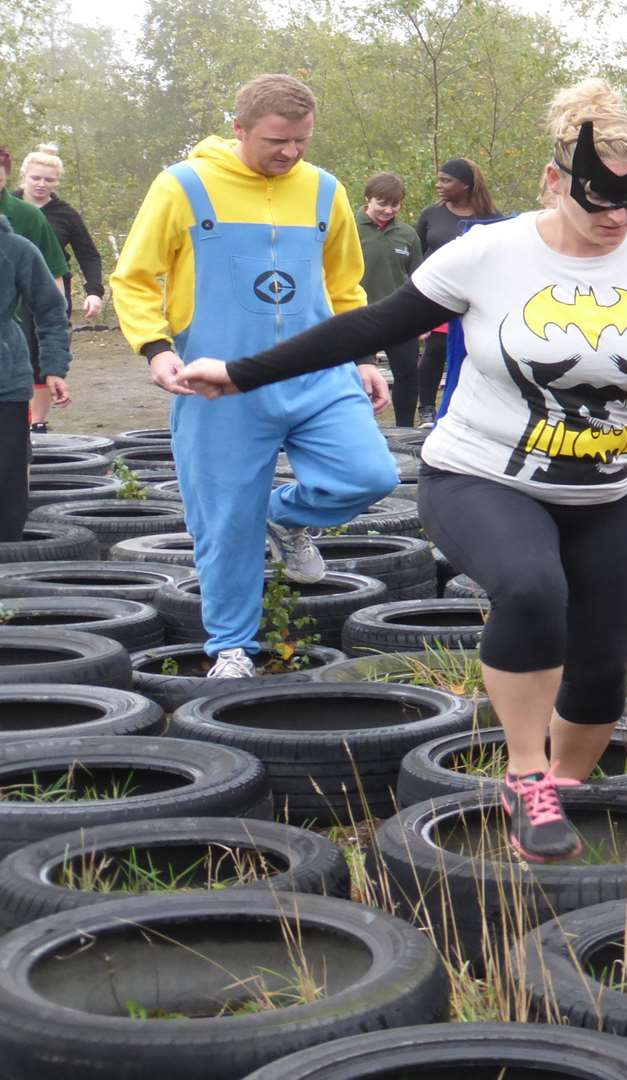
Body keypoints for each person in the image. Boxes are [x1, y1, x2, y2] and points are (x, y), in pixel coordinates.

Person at [179, 79, 627, 863]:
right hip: (478, 476)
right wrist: (240, 372)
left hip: (604, 494)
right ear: (556, 183)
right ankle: (526, 774)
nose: (616, 220)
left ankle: (563, 787)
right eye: (598, 205)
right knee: (530, 587)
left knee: (601, 673)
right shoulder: (488, 253)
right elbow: (373, 325)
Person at [110, 74, 397, 679]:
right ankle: (232, 648)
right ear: (238, 129)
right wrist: (156, 349)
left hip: (316, 375)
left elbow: (346, 289)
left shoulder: (324, 190)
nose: (291, 152)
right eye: (276, 140)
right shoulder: (183, 186)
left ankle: (284, 515)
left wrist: (364, 359)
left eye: (301, 140)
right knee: (224, 521)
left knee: (370, 474)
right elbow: (135, 278)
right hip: (217, 384)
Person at [0, 214, 70, 540]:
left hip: (7, 385)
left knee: (8, 485)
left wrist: (54, 367)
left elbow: (51, 309)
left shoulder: (17, 250)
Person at [414, 157, 499, 422]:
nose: (439, 185)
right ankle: (427, 408)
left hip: (474, 295)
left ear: (465, 185)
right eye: (439, 179)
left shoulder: (491, 218)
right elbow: (417, 252)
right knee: (435, 349)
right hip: (436, 293)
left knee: (471, 351)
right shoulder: (432, 214)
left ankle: (468, 407)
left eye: (446, 180)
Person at [0, 146, 68, 435]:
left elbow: (51, 300)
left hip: (7, 375)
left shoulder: (21, 235)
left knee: (12, 472)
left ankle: (37, 423)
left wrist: (54, 364)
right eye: (36, 178)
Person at [356, 172, 426, 426]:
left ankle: (405, 428)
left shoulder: (408, 234)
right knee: (360, 377)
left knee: (408, 373)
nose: (388, 210)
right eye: (381, 203)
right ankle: (361, 427)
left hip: (399, 317)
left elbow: (419, 279)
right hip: (358, 315)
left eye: (394, 204)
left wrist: (422, 321)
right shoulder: (349, 227)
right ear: (368, 199)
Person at [17, 145, 105, 321]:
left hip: (53, 292)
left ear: (56, 181)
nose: (41, 184)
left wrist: (94, 292)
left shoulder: (66, 214)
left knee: (52, 345)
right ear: (23, 175)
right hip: (11, 293)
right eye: (35, 178)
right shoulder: (7, 207)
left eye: (49, 180)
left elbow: (88, 255)